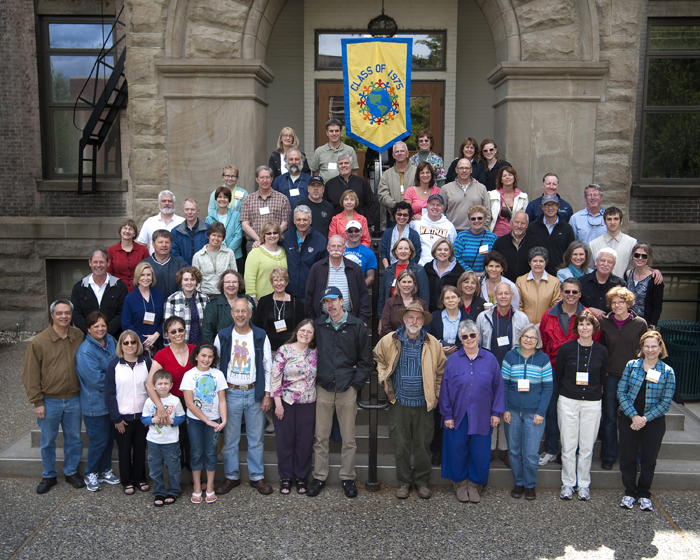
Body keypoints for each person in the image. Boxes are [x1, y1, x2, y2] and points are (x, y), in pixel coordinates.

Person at [375, 300, 446, 499]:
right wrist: (383, 379)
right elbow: (378, 359)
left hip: (425, 403)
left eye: (418, 318)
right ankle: (404, 482)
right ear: (404, 319)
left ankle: (422, 482)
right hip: (399, 403)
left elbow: (441, 371)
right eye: (410, 317)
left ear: (423, 321)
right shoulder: (390, 339)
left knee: (423, 445)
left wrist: (437, 394)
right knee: (401, 444)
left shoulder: (432, 343)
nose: (414, 321)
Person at [307, 287, 372, 498]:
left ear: (342, 301)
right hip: (324, 387)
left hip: (347, 388)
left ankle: (347, 477)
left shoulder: (356, 326)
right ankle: (319, 476)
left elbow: (366, 361)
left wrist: (356, 385)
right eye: (326, 302)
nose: (330, 305)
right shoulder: (318, 325)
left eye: (333, 301)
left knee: (349, 438)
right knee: (321, 437)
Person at [22, 300, 85, 494]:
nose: (64, 316)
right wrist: (37, 402)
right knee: (48, 440)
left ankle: (71, 471)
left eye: (67, 313)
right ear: (52, 315)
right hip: (49, 401)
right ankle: (49, 474)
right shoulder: (39, 342)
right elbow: (30, 374)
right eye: (59, 313)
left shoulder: (78, 335)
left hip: (74, 398)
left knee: (74, 438)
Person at [213, 299, 274, 496]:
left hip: (255, 392)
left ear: (250, 314)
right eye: (237, 311)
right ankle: (231, 476)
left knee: (256, 439)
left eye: (244, 311)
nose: (240, 315)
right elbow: (215, 366)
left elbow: (267, 367)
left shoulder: (259, 335)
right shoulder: (222, 335)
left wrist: (267, 395)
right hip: (231, 393)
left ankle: (257, 477)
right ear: (232, 314)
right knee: (230, 439)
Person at [440, 319, 504, 503]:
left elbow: (498, 387)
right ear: (461, 339)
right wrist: (447, 415)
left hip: (482, 414)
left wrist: (496, 412)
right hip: (458, 414)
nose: (469, 339)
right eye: (465, 336)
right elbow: (445, 390)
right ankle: (460, 483)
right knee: (457, 448)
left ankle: (475, 484)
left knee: (479, 451)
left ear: (478, 336)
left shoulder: (490, 359)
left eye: (472, 335)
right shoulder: (453, 361)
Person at [538, 277, 599, 467]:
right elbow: (544, 343)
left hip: (580, 372)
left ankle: (574, 452)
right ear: (561, 293)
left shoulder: (588, 316)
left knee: (577, 413)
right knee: (552, 411)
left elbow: (594, 342)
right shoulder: (549, 315)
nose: (571, 295)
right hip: (554, 369)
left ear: (580, 294)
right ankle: (550, 450)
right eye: (567, 291)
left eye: (574, 292)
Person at [617, 331, 676, 511]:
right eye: (647, 346)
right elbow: (621, 392)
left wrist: (644, 419)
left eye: (654, 346)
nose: (650, 350)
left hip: (653, 422)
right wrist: (634, 416)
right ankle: (629, 492)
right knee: (627, 458)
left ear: (660, 348)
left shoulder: (667, 371)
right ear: (641, 347)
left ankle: (644, 493)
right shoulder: (631, 366)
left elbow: (665, 402)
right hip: (629, 418)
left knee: (649, 460)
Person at [556, 310, 608, 501]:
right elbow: (559, 375)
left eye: (588, 324)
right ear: (576, 327)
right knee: (569, 446)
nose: (584, 327)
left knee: (586, 447)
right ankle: (568, 483)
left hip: (592, 403)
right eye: (581, 324)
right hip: (568, 401)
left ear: (594, 328)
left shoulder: (602, 351)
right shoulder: (566, 349)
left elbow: (602, 377)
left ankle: (583, 484)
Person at [476, 281, 529, 465]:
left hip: (512, 370)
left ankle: (505, 449)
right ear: (495, 296)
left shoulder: (522, 318)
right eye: (500, 294)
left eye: (507, 293)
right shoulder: (483, 317)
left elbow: (527, 344)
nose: (504, 297)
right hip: (488, 369)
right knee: (489, 408)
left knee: (508, 409)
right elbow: (478, 343)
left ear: (512, 296)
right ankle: (490, 448)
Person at [501, 325, 553, 500]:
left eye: (533, 337)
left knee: (530, 453)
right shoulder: (510, 356)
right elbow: (504, 385)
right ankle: (519, 482)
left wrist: (541, 411)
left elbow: (547, 387)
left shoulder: (543, 359)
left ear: (537, 341)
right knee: (514, 451)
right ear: (520, 337)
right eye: (526, 336)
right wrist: (505, 408)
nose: (529, 340)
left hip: (534, 413)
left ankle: (530, 485)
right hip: (513, 412)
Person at [599, 287, 648, 470]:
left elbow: (646, 350)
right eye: (614, 302)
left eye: (621, 302)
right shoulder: (604, 323)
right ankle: (609, 456)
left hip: (633, 377)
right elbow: (601, 350)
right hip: (611, 376)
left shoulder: (640, 323)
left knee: (631, 417)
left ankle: (633, 458)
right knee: (610, 417)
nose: (617, 305)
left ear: (628, 303)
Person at [271, 320, 318, 495]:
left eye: (309, 332)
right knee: (284, 441)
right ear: (297, 331)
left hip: (308, 403)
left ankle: (301, 477)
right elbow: (275, 377)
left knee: (304, 442)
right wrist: (277, 404)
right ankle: (285, 477)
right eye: (302, 330)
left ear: (313, 336)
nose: (305, 334)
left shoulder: (315, 353)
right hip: (286, 403)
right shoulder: (285, 350)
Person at [424, 286, 469, 466]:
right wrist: (440, 346)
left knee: (456, 407)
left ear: (459, 299)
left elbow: (469, 338)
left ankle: (454, 448)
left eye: (454, 297)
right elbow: (427, 337)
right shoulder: (434, 317)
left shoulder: (467, 318)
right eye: (447, 298)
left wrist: (457, 346)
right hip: (438, 366)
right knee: (439, 409)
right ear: (442, 301)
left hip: (460, 367)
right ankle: (437, 449)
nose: (450, 300)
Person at [75, 311, 119, 492]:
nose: (101, 329)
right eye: (96, 326)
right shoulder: (85, 352)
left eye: (103, 325)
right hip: (96, 404)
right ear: (88, 329)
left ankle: (105, 469)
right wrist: (121, 382)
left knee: (109, 439)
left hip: (111, 402)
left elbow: (120, 360)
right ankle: (91, 472)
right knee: (98, 440)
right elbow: (96, 380)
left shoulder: (110, 341)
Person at [105, 330, 151, 495]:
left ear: (138, 344)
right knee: (124, 450)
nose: (130, 345)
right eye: (126, 343)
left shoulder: (146, 362)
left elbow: (152, 389)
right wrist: (116, 418)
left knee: (140, 449)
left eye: (133, 342)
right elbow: (110, 394)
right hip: (122, 417)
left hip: (142, 416)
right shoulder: (114, 366)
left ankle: (140, 478)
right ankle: (127, 481)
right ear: (121, 345)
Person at [180, 343, 228, 504]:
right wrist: (206, 420)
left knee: (211, 452)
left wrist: (224, 419)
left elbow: (222, 400)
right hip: (195, 421)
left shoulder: (218, 375)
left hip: (214, 420)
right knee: (196, 452)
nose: (206, 359)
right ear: (196, 356)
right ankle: (196, 488)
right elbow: (189, 403)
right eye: (203, 355)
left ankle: (210, 486)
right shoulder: (188, 375)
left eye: (210, 356)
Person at [147, 316, 195, 472]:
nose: (178, 334)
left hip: (195, 403)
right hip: (173, 404)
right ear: (167, 334)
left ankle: (196, 475)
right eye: (173, 331)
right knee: (176, 443)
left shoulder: (195, 350)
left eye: (180, 330)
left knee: (194, 441)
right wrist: (160, 407)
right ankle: (177, 479)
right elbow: (149, 384)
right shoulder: (162, 354)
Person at [141, 370, 186, 506]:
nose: (163, 386)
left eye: (166, 383)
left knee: (173, 467)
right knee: (155, 468)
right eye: (159, 383)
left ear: (171, 385)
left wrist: (171, 421)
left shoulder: (175, 401)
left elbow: (181, 417)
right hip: (154, 441)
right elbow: (144, 419)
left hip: (171, 441)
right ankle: (159, 492)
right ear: (154, 386)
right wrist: (155, 419)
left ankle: (174, 490)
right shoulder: (149, 401)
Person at [304, 235, 371, 323]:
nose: (336, 249)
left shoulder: (354, 268)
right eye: (333, 246)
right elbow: (309, 295)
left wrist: (362, 320)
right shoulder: (317, 268)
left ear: (344, 249)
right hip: (322, 318)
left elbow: (363, 295)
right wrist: (313, 320)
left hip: (349, 318)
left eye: (339, 246)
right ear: (328, 248)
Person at [71, 248, 128, 338]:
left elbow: (122, 313)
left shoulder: (119, 286)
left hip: (113, 338)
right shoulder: (79, 287)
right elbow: (76, 314)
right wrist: (92, 332)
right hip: (87, 338)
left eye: (101, 262)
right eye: (95, 262)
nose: (98, 265)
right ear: (90, 263)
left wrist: (105, 332)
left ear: (108, 263)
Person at [282, 205, 328, 301]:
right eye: (298, 219)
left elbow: (324, 268)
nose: (301, 223)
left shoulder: (320, 241)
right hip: (288, 294)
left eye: (305, 220)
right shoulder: (285, 238)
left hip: (310, 295)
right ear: (294, 221)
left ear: (310, 220)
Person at [240, 165, 291, 252]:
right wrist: (260, 240)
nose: (265, 180)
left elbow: (285, 223)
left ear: (272, 179)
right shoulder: (248, 199)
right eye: (262, 177)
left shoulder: (282, 199)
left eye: (267, 177)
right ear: (257, 179)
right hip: (254, 243)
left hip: (276, 243)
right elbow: (245, 225)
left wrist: (271, 237)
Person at [254, 267, 305, 352]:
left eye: (281, 280)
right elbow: (258, 326)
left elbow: (301, 327)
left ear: (286, 282)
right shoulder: (264, 301)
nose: (279, 283)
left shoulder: (296, 302)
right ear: (271, 283)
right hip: (269, 349)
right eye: (275, 280)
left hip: (290, 349)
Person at [377, 238, 429, 319]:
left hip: (412, 313)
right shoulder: (388, 270)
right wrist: (381, 318)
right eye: (400, 248)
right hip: (391, 312)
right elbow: (382, 296)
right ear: (395, 252)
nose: (403, 251)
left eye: (406, 248)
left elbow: (424, 297)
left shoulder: (419, 270)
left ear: (410, 252)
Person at [324, 152, 379, 229]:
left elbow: (373, 203)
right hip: (337, 228)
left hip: (359, 227)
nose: (343, 165)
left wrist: (367, 222)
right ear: (337, 166)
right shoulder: (330, 184)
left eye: (346, 163)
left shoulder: (362, 183)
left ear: (351, 165)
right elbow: (325, 207)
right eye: (341, 163)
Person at [121, 262, 164, 355]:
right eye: (142, 275)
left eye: (148, 275)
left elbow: (165, 319)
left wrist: (156, 335)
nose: (146, 278)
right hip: (137, 345)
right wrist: (142, 340)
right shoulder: (130, 298)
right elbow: (126, 323)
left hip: (158, 343)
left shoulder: (159, 295)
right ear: (137, 277)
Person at [526, 194, 576, 274]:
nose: (550, 208)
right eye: (546, 205)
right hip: (537, 273)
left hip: (560, 273)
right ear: (542, 207)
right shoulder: (532, 227)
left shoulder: (567, 228)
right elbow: (527, 250)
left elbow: (570, 252)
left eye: (553, 205)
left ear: (557, 206)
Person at [201, 270, 255, 343]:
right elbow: (207, 333)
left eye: (234, 282)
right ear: (222, 284)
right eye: (228, 282)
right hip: (221, 347)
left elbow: (254, 326)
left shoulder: (248, 301)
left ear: (239, 284)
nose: (231, 285)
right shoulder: (212, 305)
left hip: (246, 345)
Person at [441, 159, 491, 232]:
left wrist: (483, 230)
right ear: (456, 170)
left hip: (476, 232)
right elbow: (441, 213)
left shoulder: (481, 188)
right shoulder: (445, 189)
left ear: (471, 170)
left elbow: (487, 212)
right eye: (461, 168)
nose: (464, 171)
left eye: (467, 168)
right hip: (453, 232)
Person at [516, 247, 562, 325]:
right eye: (534, 261)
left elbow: (556, 306)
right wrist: (526, 323)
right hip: (524, 325)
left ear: (545, 263)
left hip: (547, 326)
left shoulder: (555, 282)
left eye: (541, 261)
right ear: (529, 263)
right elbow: (518, 305)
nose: (538, 264)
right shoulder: (520, 281)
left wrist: (542, 323)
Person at [244, 220, 287, 302]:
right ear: (263, 235)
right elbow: (249, 278)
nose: (272, 235)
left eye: (275, 233)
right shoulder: (255, 253)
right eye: (268, 233)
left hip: (282, 299)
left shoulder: (284, 252)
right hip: (261, 300)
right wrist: (252, 298)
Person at [164, 266, 209, 345]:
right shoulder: (172, 300)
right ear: (181, 281)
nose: (189, 283)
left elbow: (209, 326)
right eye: (186, 280)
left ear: (196, 281)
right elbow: (167, 327)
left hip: (201, 345)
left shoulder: (205, 299)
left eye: (192, 279)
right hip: (180, 346)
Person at [491, 211, 541, 283]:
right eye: (516, 222)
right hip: (505, 285)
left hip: (529, 285)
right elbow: (493, 264)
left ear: (527, 225)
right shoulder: (500, 243)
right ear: (511, 223)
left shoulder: (536, 243)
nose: (519, 226)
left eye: (523, 223)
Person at [590, 207, 639, 279]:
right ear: (604, 222)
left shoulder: (632, 243)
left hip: (623, 287)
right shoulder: (593, 244)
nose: (612, 222)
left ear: (621, 221)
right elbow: (590, 269)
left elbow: (638, 266)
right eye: (609, 219)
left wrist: (653, 271)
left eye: (616, 219)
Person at [379, 269, 430, 337]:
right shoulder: (390, 303)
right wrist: (400, 338)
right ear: (398, 284)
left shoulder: (422, 303)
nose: (406, 285)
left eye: (409, 282)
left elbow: (426, 326)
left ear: (414, 284)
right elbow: (385, 327)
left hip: (417, 343)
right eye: (404, 282)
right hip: (394, 342)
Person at [192, 222, 238, 298]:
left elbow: (234, 276)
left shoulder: (229, 253)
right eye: (213, 235)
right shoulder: (198, 256)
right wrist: (199, 297)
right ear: (208, 236)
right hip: (205, 295)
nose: (216, 238)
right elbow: (196, 279)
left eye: (219, 236)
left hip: (225, 295)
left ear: (223, 239)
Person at [410, 194, 457, 266]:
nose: (435, 207)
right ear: (427, 207)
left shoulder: (449, 226)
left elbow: (453, 249)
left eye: (438, 205)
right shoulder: (416, 223)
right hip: (419, 266)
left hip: (440, 267)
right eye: (432, 204)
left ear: (442, 208)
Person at [624, 243, 664, 329]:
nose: (640, 258)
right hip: (627, 323)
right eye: (637, 255)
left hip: (645, 324)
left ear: (648, 258)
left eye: (644, 256)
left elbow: (657, 307)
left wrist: (652, 326)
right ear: (632, 256)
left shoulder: (655, 279)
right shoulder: (628, 274)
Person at [206, 186, 244, 272]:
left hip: (235, 256)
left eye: (225, 197)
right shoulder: (209, 218)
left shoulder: (236, 215)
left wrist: (227, 252)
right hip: (216, 256)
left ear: (229, 200)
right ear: (216, 199)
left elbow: (238, 236)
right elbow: (209, 237)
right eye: (219, 197)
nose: (222, 199)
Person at [580, 248, 625, 320]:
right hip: (586, 325)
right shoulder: (582, 282)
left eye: (609, 262)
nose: (605, 264)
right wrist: (588, 310)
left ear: (613, 265)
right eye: (602, 260)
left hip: (611, 326)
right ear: (596, 262)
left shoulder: (620, 285)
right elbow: (574, 304)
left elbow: (625, 308)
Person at [309, 118, 358, 183]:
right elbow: (315, 173)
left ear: (340, 132)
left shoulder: (349, 150)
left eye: (336, 131)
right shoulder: (319, 151)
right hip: (325, 191)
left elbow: (354, 173)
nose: (334, 133)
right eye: (331, 131)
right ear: (327, 133)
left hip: (345, 191)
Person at [142, 230, 188, 299]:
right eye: (160, 242)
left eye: (167, 242)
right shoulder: (144, 265)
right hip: (152, 304)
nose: (164, 245)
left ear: (171, 245)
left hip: (176, 304)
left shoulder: (180, 264)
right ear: (153, 244)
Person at [107, 219, 151, 292]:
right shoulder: (111, 250)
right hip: (117, 289)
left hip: (139, 289)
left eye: (130, 229)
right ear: (120, 231)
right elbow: (108, 273)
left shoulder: (143, 250)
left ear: (134, 234)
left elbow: (148, 270)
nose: (127, 231)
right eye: (124, 228)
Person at [454, 205, 497, 274]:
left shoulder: (492, 238)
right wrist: (470, 272)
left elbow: (496, 259)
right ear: (469, 220)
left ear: (485, 219)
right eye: (473, 219)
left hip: (487, 276)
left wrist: (484, 273)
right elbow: (456, 257)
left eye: (479, 218)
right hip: (465, 276)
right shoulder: (461, 236)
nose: (476, 221)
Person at [424, 238, 465, 313]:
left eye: (446, 250)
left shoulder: (459, 271)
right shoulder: (427, 268)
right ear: (435, 252)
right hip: (429, 312)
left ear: (450, 253)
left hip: (451, 313)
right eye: (439, 249)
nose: (442, 252)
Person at [380, 201, 422, 268]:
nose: (402, 217)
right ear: (394, 215)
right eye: (399, 214)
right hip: (390, 269)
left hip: (409, 272)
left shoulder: (414, 234)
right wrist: (388, 270)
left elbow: (416, 255)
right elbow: (383, 253)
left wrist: (407, 272)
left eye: (405, 215)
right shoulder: (387, 233)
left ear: (409, 217)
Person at [377, 141, 416, 213]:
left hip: (414, 215)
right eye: (397, 151)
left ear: (407, 154)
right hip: (394, 215)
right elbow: (382, 195)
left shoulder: (416, 172)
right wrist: (396, 206)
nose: (399, 153)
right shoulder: (387, 174)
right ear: (393, 155)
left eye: (402, 151)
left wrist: (408, 207)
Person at [489, 166, 528, 236]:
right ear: (501, 180)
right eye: (504, 176)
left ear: (514, 178)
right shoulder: (492, 195)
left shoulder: (523, 197)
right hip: (496, 235)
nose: (507, 177)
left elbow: (525, 218)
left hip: (515, 235)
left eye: (510, 175)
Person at [171, 198, 209, 266]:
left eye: (192, 209)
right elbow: (174, 253)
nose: (189, 212)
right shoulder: (175, 231)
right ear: (183, 211)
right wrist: (187, 268)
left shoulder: (208, 229)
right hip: (183, 271)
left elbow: (211, 250)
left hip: (204, 270)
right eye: (187, 209)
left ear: (198, 211)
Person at [343, 220, 377, 287]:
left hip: (359, 289)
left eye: (356, 230)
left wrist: (358, 289)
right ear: (346, 233)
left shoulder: (369, 253)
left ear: (361, 232)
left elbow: (370, 278)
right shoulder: (339, 249)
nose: (353, 233)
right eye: (350, 231)